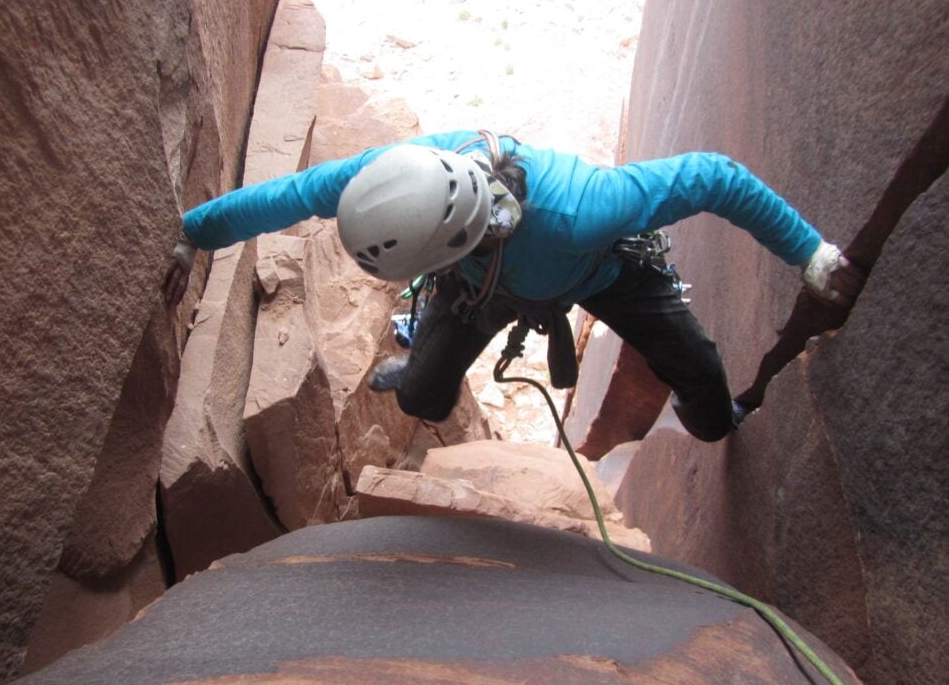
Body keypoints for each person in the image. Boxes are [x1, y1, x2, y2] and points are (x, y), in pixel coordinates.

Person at [162, 129, 862, 442]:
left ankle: (714, 425)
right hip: (479, 282)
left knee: (697, 366)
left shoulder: (584, 208)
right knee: (422, 394)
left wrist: (811, 255)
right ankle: (416, 367)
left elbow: (715, 176)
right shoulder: (387, 177)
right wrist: (193, 231)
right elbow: (286, 196)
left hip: (599, 269)